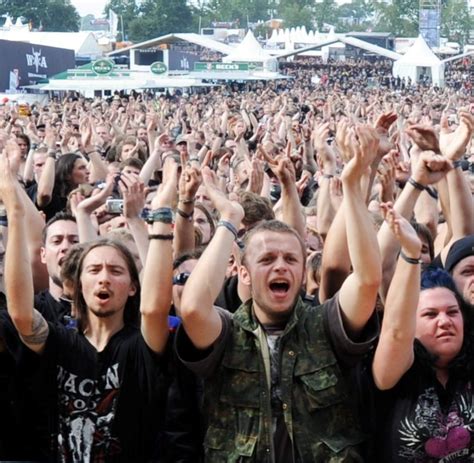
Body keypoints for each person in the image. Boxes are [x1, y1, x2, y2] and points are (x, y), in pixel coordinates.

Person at [176, 125, 382, 462]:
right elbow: (194, 309)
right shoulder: (227, 332)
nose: (280, 267)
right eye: (267, 259)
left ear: (303, 272)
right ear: (243, 271)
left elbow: (368, 279)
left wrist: (352, 186)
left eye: (291, 259)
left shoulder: (326, 325)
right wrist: (229, 220)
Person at [1, 145, 175, 462]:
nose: (104, 278)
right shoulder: (61, 341)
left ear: (135, 287)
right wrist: (14, 213)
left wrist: (158, 217)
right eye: (94, 270)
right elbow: (20, 313)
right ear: (79, 284)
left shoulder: (143, 345)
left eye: (116, 270)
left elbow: (155, 307)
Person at [369, 204, 474, 461]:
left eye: (452, 312)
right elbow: (394, 330)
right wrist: (411, 253)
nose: (444, 321)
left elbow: (464, 231)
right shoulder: (396, 373)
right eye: (430, 314)